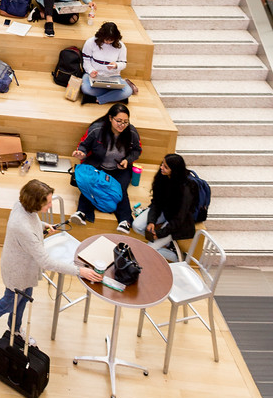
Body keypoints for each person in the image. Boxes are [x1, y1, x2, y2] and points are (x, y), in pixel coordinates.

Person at [0, 179, 100, 350]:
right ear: (34, 202)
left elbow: (31, 221)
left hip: (26, 267)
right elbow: (46, 261)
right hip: (17, 270)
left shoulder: (21, 205)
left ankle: (15, 327)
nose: (50, 205)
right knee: (8, 302)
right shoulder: (22, 228)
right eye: (47, 202)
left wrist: (43, 226)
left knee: (23, 300)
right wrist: (79, 271)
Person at [70, 103, 141, 232]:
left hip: (119, 168)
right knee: (89, 184)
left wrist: (127, 160)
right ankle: (82, 212)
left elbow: (137, 150)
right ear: (110, 118)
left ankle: (125, 221)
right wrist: (81, 152)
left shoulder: (131, 132)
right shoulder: (97, 129)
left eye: (125, 122)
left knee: (120, 189)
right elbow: (84, 145)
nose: (122, 125)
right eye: (118, 121)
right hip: (98, 165)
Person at [132, 154, 200, 261]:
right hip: (165, 211)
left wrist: (159, 234)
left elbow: (179, 220)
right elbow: (156, 202)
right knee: (136, 226)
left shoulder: (186, 189)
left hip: (178, 221)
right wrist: (151, 221)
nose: (161, 167)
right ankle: (167, 243)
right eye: (162, 164)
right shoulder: (162, 177)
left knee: (149, 248)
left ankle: (177, 257)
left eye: (166, 167)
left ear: (175, 170)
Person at [80, 21, 133, 106]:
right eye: (106, 39)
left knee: (128, 91)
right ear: (101, 35)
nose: (108, 42)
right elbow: (86, 60)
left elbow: (123, 63)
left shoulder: (121, 46)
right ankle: (115, 95)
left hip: (113, 77)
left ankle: (98, 99)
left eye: (111, 40)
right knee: (85, 88)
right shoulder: (91, 42)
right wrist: (91, 71)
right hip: (93, 76)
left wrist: (116, 65)